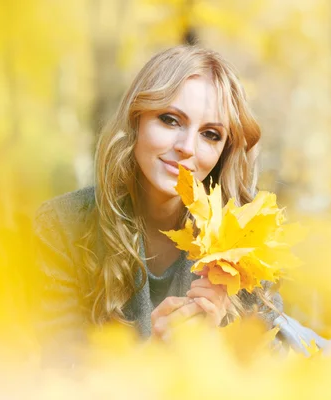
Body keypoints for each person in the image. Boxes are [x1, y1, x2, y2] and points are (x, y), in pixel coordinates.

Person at [34, 45, 294, 365]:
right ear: (137, 119)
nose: (187, 148)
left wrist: (215, 353)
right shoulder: (62, 227)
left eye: (210, 134)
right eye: (170, 120)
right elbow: (53, 379)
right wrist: (155, 359)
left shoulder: (245, 244)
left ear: (224, 151)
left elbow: (275, 374)